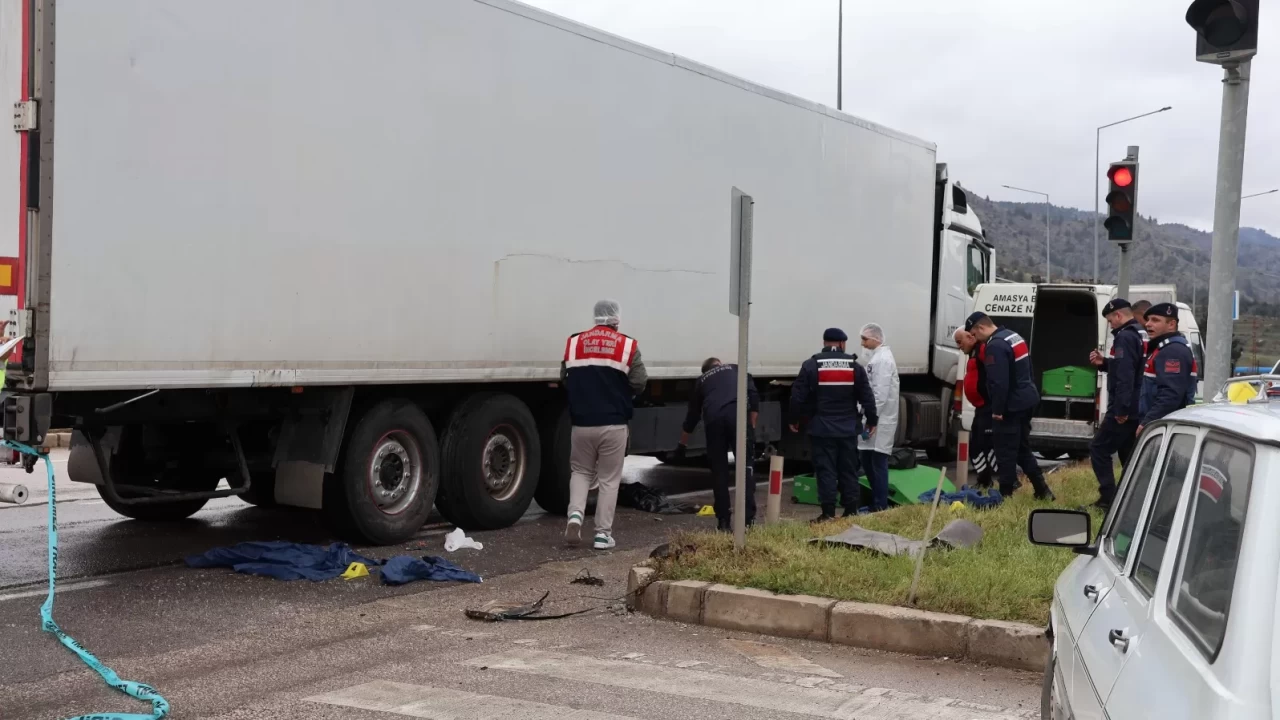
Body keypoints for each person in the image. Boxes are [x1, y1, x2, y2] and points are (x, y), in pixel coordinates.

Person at [561, 300, 647, 550]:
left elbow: (564, 377)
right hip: (614, 423)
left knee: (580, 471)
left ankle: (575, 515)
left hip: (581, 423)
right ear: (616, 320)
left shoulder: (575, 342)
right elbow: (640, 382)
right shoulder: (628, 345)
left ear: (595, 318)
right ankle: (602, 535)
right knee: (609, 479)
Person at [789, 328, 878, 523]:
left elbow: (797, 397)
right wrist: (872, 421)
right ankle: (851, 511)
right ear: (842, 344)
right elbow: (867, 397)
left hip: (821, 429)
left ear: (824, 342)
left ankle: (828, 513)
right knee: (848, 469)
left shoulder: (812, 365)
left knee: (825, 470)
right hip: (847, 429)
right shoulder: (854, 367)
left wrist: (794, 419)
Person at [965, 312, 1055, 501]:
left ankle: (1005, 495)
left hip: (1010, 406)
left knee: (1004, 450)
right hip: (1027, 399)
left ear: (981, 328)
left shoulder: (995, 346)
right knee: (1022, 448)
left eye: (974, 334)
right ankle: (1042, 490)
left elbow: (998, 382)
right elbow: (1029, 370)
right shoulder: (1014, 337)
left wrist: (997, 410)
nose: (974, 339)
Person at [677, 358, 760, 531]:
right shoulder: (737, 368)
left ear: (705, 370)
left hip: (713, 420)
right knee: (745, 468)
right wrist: (751, 427)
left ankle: (723, 522)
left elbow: (692, 416)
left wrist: (682, 445)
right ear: (719, 364)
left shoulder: (701, 381)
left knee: (719, 472)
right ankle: (747, 522)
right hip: (737, 416)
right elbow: (753, 396)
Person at [1087, 299, 1148, 509]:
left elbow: (1126, 376)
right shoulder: (1141, 333)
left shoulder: (1125, 337)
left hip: (1125, 409)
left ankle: (1107, 500)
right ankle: (1134, 500)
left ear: (1119, 316)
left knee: (1098, 449)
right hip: (1137, 406)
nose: (1111, 324)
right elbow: (1134, 366)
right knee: (1128, 456)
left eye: (1111, 320)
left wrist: (1121, 410)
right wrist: (1105, 363)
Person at [1137, 302, 1197, 435]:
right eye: (1148, 320)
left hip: (1164, 427)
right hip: (1160, 425)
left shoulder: (1173, 350)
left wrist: (1147, 423)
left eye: (1155, 320)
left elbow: (1170, 394)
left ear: (1171, 324)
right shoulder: (1162, 348)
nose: (1148, 324)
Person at [857, 324, 899, 511]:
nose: (863, 343)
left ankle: (880, 504)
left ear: (876, 339)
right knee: (867, 458)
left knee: (877, 461)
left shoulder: (882, 361)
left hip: (879, 420)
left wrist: (871, 419)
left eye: (865, 339)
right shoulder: (877, 358)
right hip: (875, 417)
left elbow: (879, 394)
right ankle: (876, 501)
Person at [955, 328, 996, 489]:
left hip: (989, 406)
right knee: (978, 446)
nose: (959, 346)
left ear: (970, 337)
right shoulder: (974, 353)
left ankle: (995, 481)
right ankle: (985, 480)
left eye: (960, 341)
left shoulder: (983, 350)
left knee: (984, 446)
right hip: (980, 408)